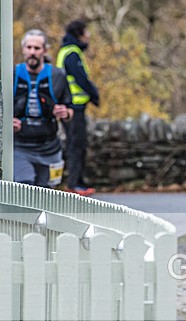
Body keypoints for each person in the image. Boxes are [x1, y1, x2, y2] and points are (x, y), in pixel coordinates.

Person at [12, 29, 74, 188]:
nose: (32, 52)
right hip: (20, 147)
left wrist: (65, 113)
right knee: (24, 187)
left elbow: (71, 109)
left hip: (50, 148)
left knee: (46, 194)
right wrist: (6, 123)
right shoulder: (11, 74)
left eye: (37, 48)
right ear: (23, 49)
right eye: (29, 47)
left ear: (45, 50)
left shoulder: (58, 75)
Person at [56, 19, 100, 196]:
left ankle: (78, 182)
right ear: (79, 34)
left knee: (78, 144)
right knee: (76, 145)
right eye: (86, 33)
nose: (88, 37)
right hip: (73, 107)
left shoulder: (67, 51)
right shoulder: (72, 53)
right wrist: (94, 94)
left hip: (73, 106)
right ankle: (75, 184)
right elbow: (81, 79)